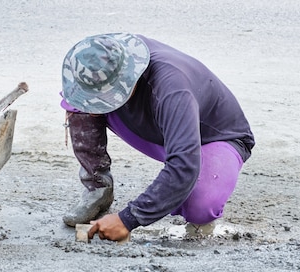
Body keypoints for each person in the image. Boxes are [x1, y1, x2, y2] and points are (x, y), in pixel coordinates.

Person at [60, 33, 254, 242]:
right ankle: (98, 189)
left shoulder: (172, 90)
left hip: (211, 138)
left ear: (128, 76)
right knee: (78, 98)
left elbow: (184, 166)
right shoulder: (104, 53)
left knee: (199, 207)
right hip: (155, 128)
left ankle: (201, 187)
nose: (95, 109)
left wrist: (128, 219)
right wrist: (88, 99)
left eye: (104, 97)